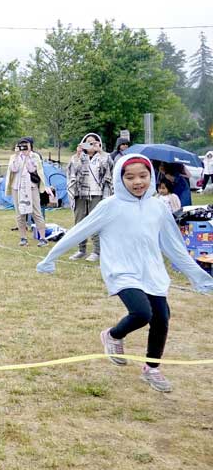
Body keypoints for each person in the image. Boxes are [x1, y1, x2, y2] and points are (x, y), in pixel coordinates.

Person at [38, 155, 213, 392]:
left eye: (143, 176)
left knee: (161, 318)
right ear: (120, 179)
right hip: (121, 271)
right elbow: (79, 231)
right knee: (142, 313)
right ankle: (113, 335)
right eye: (130, 177)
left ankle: (152, 368)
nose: (137, 182)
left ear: (152, 176)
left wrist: (200, 277)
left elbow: (175, 247)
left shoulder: (158, 207)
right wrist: (50, 258)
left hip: (152, 272)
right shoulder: (110, 206)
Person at [66, 133, 107, 261]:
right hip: (80, 192)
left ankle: (97, 251)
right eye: (87, 142)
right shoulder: (77, 157)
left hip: (96, 192)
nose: (90, 145)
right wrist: (78, 155)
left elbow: (108, 169)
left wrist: (100, 152)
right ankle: (81, 249)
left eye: (93, 142)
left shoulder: (103, 157)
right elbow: (72, 172)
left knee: (95, 221)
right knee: (80, 222)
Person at [6, 138, 50, 247]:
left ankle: (43, 238)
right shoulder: (14, 157)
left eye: (26, 145)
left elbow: (32, 169)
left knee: (36, 212)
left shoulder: (35, 156)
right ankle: (23, 237)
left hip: (31, 187)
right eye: (22, 145)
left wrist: (28, 155)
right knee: (20, 213)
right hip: (17, 187)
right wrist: (17, 155)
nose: (23, 147)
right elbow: (13, 169)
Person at [103, 131, 132, 197]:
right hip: (116, 177)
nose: (125, 146)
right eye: (123, 144)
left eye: (126, 144)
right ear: (119, 145)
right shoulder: (113, 155)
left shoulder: (130, 154)